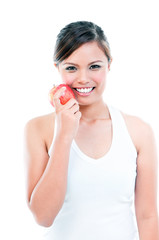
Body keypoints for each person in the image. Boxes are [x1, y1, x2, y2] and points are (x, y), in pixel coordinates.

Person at [24, 21, 159, 240]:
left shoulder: (139, 131)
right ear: (57, 68)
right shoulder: (38, 129)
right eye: (71, 67)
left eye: (94, 66)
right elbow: (43, 217)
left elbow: (147, 216)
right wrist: (64, 135)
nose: (83, 79)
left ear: (109, 64)